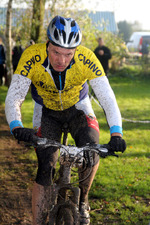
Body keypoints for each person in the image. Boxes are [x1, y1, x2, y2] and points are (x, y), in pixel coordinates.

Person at [5, 16, 126, 225]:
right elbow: (15, 95)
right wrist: (17, 127)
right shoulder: (31, 57)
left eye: (68, 54)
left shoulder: (87, 58)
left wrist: (116, 133)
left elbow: (107, 97)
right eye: (56, 52)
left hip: (78, 108)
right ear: (47, 44)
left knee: (91, 152)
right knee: (45, 165)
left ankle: (83, 201)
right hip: (46, 111)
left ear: (76, 51)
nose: (61, 60)